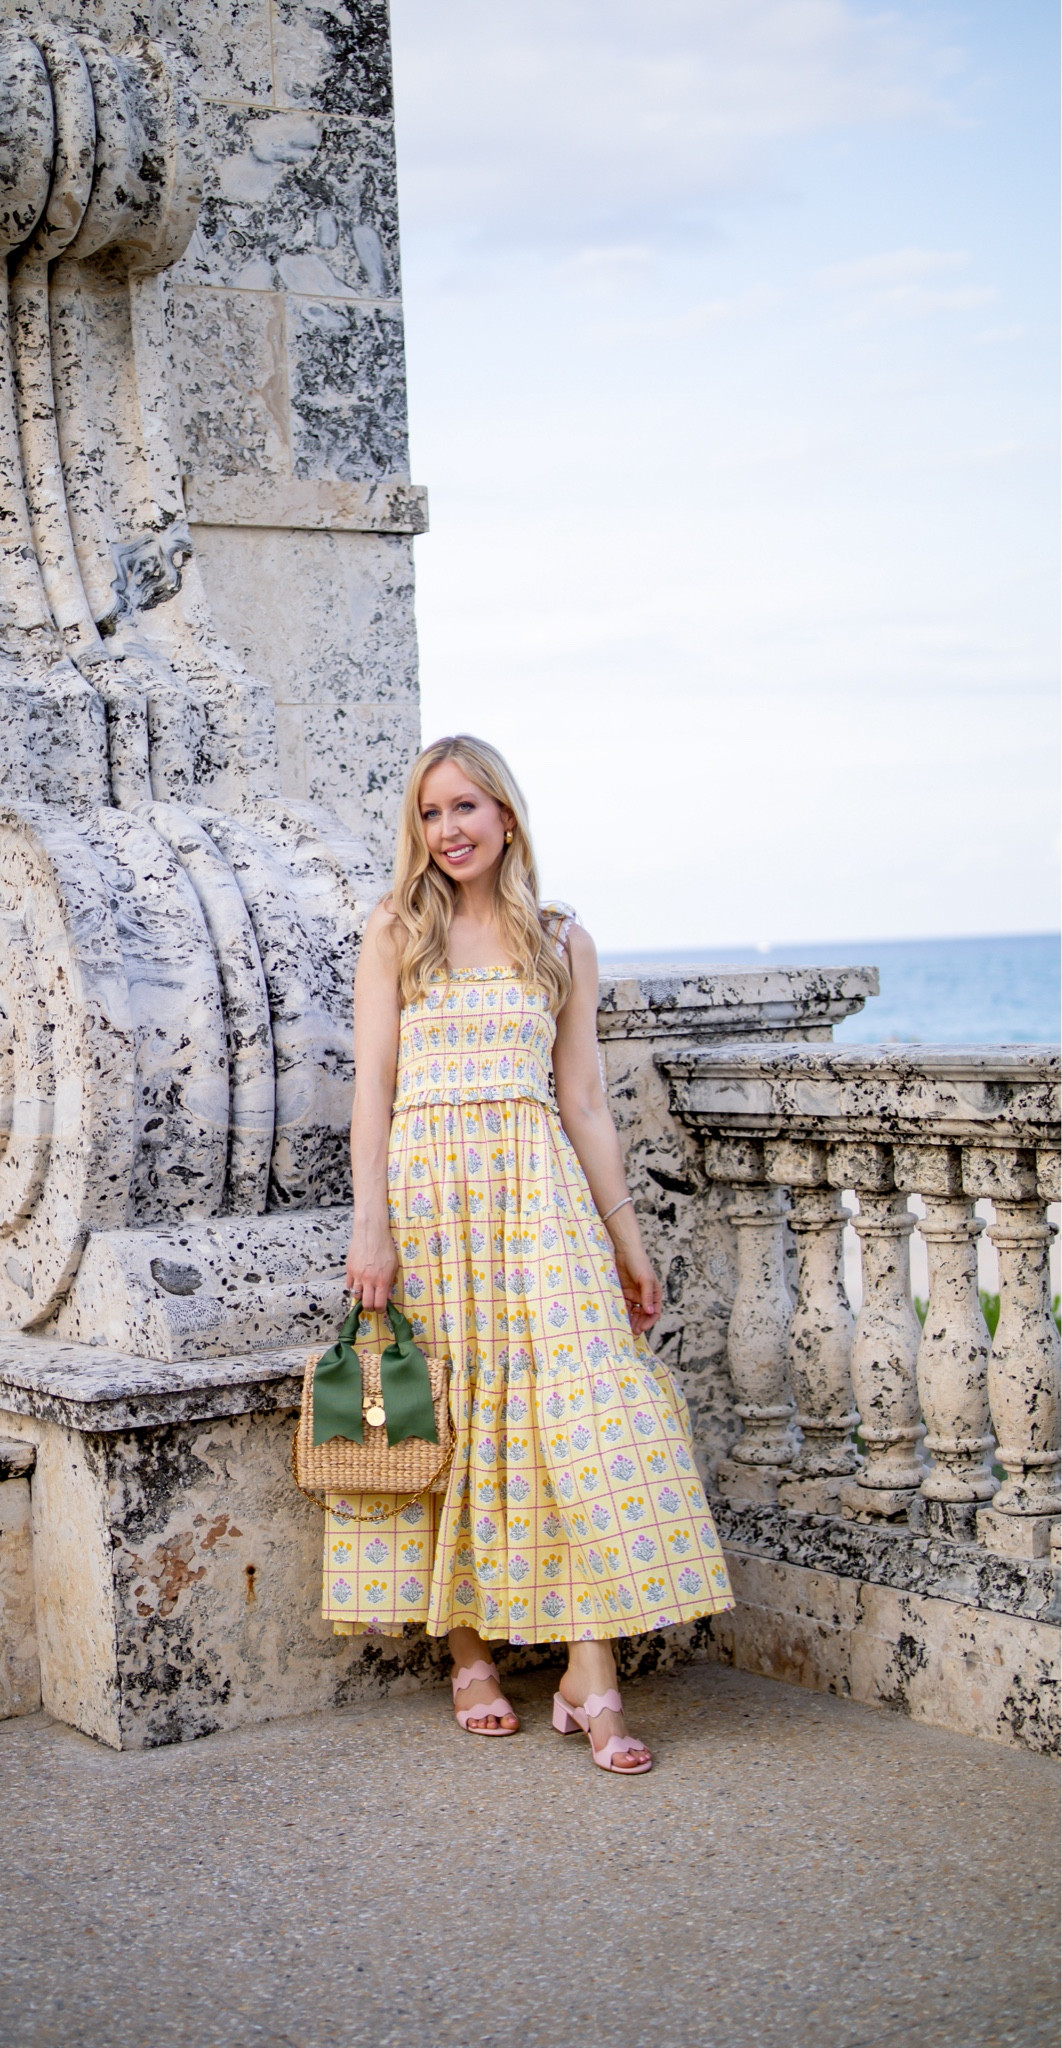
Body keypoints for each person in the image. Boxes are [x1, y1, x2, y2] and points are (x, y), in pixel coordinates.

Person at [324, 734, 733, 1772]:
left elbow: (585, 1100)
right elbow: (370, 1086)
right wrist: (368, 1224)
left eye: (467, 806)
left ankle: (590, 1676)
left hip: (536, 1193)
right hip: (427, 1193)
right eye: (431, 812)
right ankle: (469, 1655)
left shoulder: (560, 939)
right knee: (448, 1411)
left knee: (585, 1404)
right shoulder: (393, 931)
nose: (449, 829)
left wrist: (626, 1240)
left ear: (506, 815)